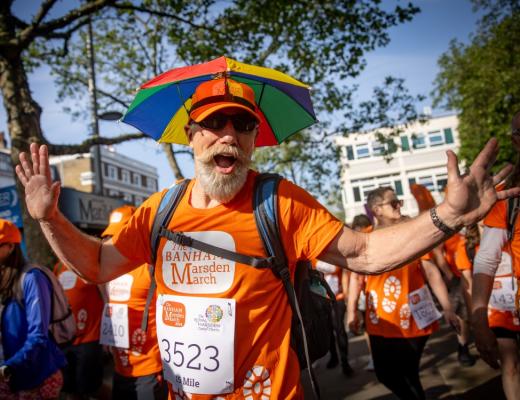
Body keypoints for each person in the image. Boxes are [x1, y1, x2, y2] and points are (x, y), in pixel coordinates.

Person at [14, 76, 518, 399]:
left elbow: (363, 253)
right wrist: (49, 220)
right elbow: (98, 266)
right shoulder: (158, 210)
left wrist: (447, 217)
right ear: (191, 136)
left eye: (243, 124)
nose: (229, 134)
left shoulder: (279, 201)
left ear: (255, 138)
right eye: (214, 123)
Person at [347, 187, 459, 400]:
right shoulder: (365, 238)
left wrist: (448, 309)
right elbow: (355, 277)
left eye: (398, 202)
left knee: (407, 374)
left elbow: (432, 272)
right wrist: (352, 311)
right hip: (379, 322)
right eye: (394, 203)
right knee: (384, 374)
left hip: (413, 320)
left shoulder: (411, 233)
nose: (400, 206)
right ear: (377, 210)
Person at [472, 111, 520, 400]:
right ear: (516, 141)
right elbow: (487, 257)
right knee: (511, 363)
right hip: (506, 301)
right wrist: (479, 320)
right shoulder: (508, 196)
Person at [100, 205, 167, 400]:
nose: (113, 240)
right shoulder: (111, 268)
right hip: (120, 366)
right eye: (111, 236)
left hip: (150, 368)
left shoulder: (151, 266)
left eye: (119, 234)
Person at [0, 219, 67, 399]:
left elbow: (38, 335)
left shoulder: (32, 278)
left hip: (37, 377)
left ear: (11, 247)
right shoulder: (3, 278)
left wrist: (10, 366)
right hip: (10, 380)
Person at [53, 259, 105, 400]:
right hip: (65, 341)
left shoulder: (88, 265)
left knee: (90, 390)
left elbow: (106, 296)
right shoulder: (58, 267)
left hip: (89, 338)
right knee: (68, 390)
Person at [314, 259, 353, 376]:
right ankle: (334, 356)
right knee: (328, 329)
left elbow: (341, 271)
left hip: (338, 298)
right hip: (322, 299)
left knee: (339, 328)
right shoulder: (314, 256)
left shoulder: (333, 255)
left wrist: (346, 293)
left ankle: (345, 361)